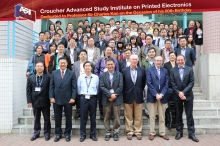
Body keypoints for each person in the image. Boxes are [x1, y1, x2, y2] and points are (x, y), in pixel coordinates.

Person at [170, 55, 199, 142]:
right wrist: (179, 93)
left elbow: (191, 82)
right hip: (177, 96)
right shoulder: (172, 70)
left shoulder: (189, 69)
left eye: (182, 60)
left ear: (185, 60)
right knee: (179, 114)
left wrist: (184, 92)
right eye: (178, 60)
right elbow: (172, 83)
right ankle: (179, 132)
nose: (180, 61)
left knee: (189, 115)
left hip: (188, 96)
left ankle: (191, 133)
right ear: (176, 61)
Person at [49, 57, 77, 142]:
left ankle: (67, 133)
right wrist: (51, 97)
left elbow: (74, 87)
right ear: (58, 64)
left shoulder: (71, 73)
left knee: (68, 117)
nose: (63, 64)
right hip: (56, 99)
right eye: (61, 63)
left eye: (64, 63)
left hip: (68, 99)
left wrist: (73, 97)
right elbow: (51, 86)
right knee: (58, 117)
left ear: (67, 64)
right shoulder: (54, 73)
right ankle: (58, 133)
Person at [122, 54, 146, 140]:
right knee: (128, 115)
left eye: (136, 59)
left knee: (138, 115)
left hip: (139, 95)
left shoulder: (142, 70)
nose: (134, 61)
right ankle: (129, 131)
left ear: (138, 61)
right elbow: (123, 83)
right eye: (133, 59)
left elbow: (143, 83)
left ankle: (138, 131)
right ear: (129, 60)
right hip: (128, 95)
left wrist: (139, 90)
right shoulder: (124, 70)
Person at [99, 58, 123, 141]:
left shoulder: (119, 74)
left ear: (114, 65)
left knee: (117, 117)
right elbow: (102, 86)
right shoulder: (102, 75)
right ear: (106, 65)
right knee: (106, 117)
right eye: (108, 64)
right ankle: (108, 133)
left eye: (111, 64)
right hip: (106, 99)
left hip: (116, 98)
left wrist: (114, 95)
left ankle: (116, 132)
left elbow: (121, 86)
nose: (110, 66)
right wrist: (110, 95)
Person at [26, 62, 51, 141]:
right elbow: (28, 90)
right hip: (35, 101)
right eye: (38, 66)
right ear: (35, 68)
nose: (40, 67)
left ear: (43, 68)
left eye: (41, 66)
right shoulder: (30, 78)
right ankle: (36, 133)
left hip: (45, 100)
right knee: (36, 118)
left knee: (47, 118)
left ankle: (47, 133)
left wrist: (51, 98)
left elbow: (50, 89)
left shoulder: (48, 77)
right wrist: (29, 101)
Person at [147, 56, 169, 141]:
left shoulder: (165, 71)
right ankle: (152, 133)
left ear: (162, 61)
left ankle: (162, 132)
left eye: (160, 60)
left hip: (162, 97)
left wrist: (162, 94)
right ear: (154, 61)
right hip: (152, 96)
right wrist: (156, 94)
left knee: (162, 116)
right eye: (157, 60)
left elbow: (167, 84)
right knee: (152, 116)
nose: (159, 62)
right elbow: (149, 83)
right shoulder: (149, 70)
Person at [94, 46, 119, 120]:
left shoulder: (115, 60)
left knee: (111, 96)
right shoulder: (100, 60)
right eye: (107, 50)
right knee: (101, 97)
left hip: (112, 82)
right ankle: (102, 113)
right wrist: (99, 78)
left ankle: (111, 113)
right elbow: (96, 70)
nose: (108, 52)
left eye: (110, 50)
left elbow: (117, 71)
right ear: (104, 52)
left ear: (112, 52)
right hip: (102, 82)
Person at [77, 61, 99, 142]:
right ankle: (83, 135)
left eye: (89, 66)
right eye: (86, 66)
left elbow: (97, 87)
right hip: (83, 99)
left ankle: (92, 134)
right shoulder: (80, 77)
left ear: (91, 67)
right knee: (83, 117)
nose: (87, 67)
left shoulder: (96, 77)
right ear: (84, 68)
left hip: (93, 98)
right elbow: (79, 89)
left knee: (93, 117)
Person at [72, 50, 88, 119]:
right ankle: (78, 112)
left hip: (87, 83)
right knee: (78, 98)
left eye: (84, 54)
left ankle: (86, 113)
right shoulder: (75, 64)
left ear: (86, 55)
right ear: (79, 56)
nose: (83, 55)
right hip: (78, 83)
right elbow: (73, 74)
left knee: (86, 99)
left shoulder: (89, 63)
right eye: (81, 54)